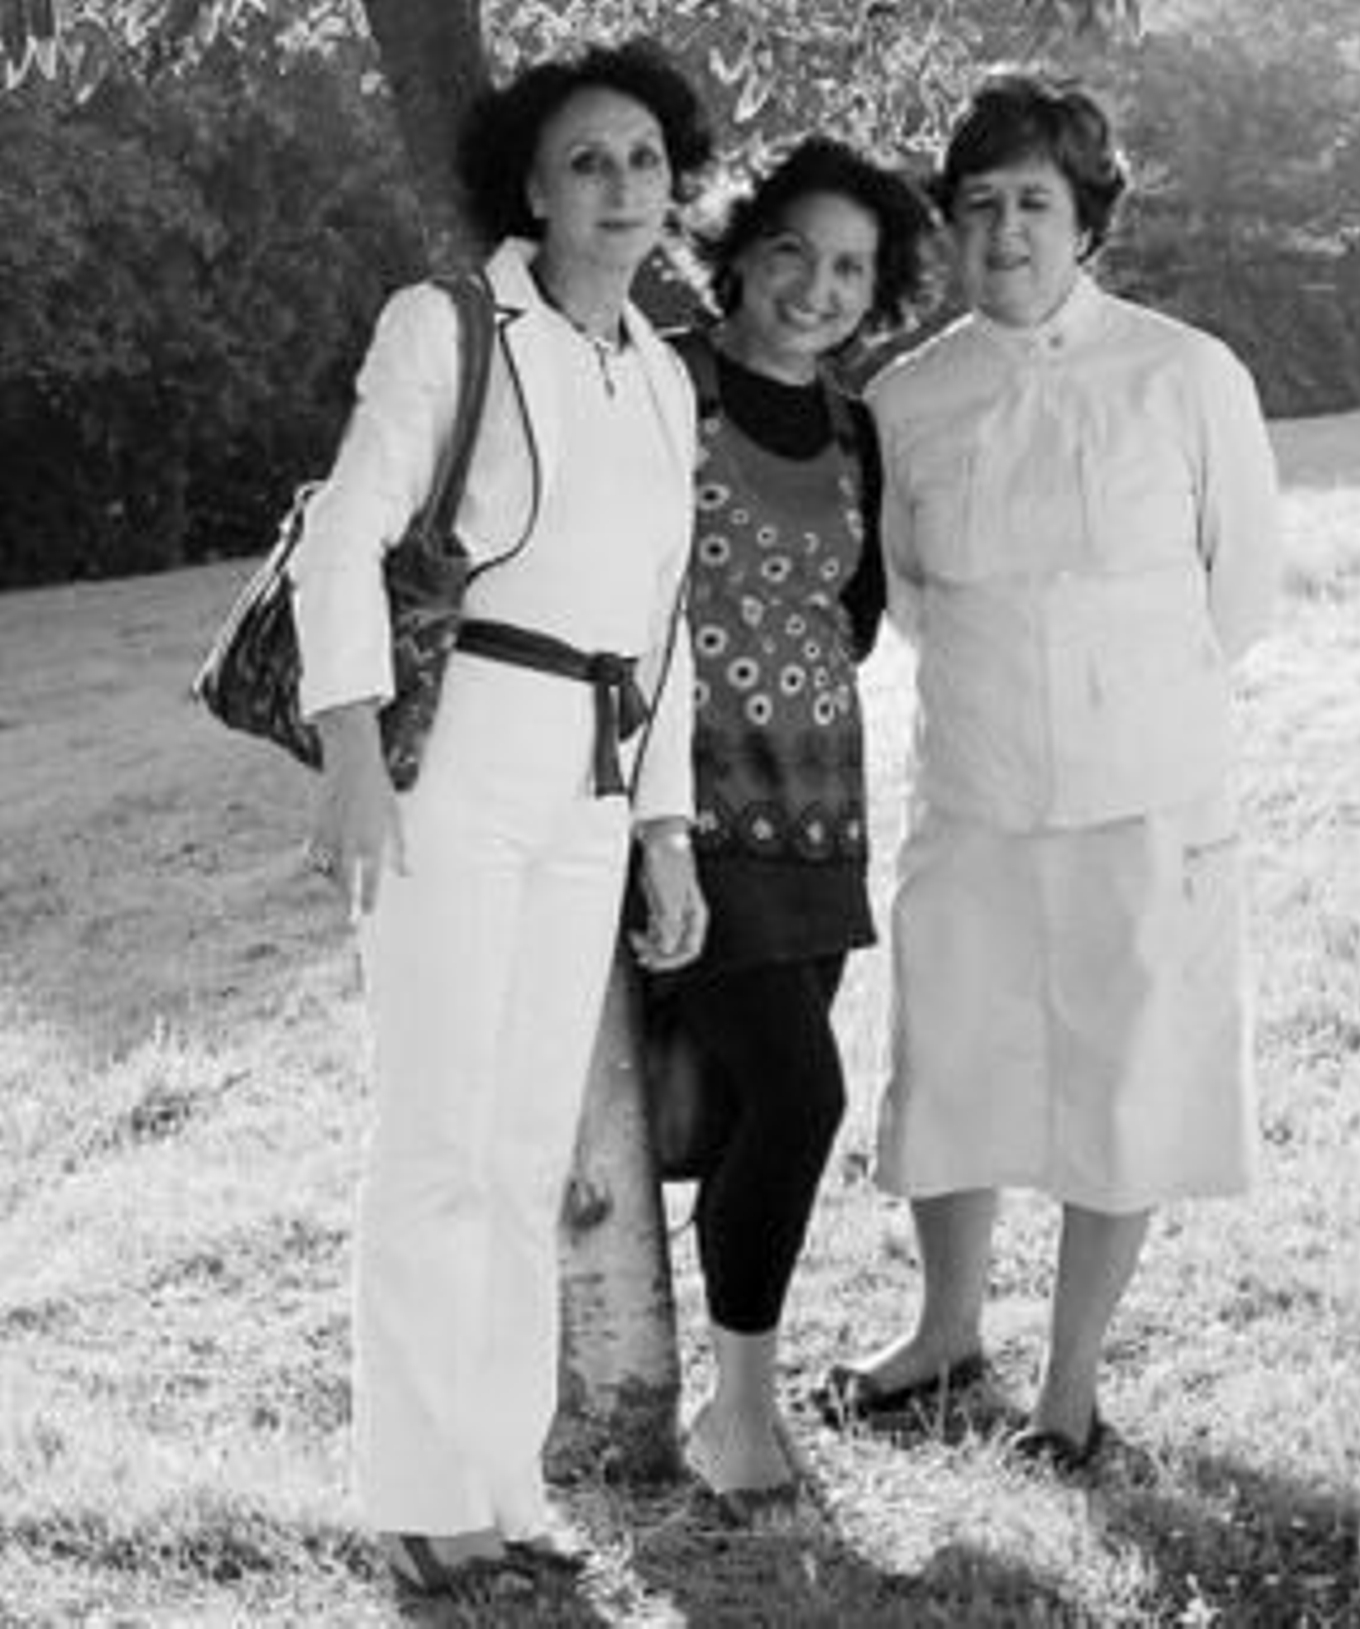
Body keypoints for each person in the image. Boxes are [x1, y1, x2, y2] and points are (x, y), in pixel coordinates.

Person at [288, 40, 713, 1598]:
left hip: (592, 784)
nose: (619, 188)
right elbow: (348, 536)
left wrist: (665, 831)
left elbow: (661, 628)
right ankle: (417, 1492)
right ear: (529, 184)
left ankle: (503, 1478)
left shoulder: (665, 373)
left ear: (677, 191)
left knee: (529, 1147)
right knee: (441, 1138)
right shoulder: (451, 323)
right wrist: (351, 757)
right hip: (449, 763)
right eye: (587, 160)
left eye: (647, 162)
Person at [821, 75, 1280, 1473]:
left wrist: (1113, 697)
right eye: (978, 207)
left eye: (1033, 202)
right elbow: (903, 590)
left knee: (1121, 1081)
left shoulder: (1185, 374)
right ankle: (945, 1329)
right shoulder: (905, 397)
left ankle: (1069, 1388)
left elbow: (1240, 589)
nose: (1004, 230)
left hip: (1147, 796)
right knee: (949, 1063)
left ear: (1087, 221)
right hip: (974, 788)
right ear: (949, 229)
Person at [651, 137, 932, 1513]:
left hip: (817, 817)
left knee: (740, 1109)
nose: (818, 286)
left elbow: (858, 613)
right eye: (793, 251)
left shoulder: (854, 425)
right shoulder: (666, 383)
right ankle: (740, 1415)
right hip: (683, 815)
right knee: (801, 1094)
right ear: (739, 247)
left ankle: (709, 1383)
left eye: (850, 267)